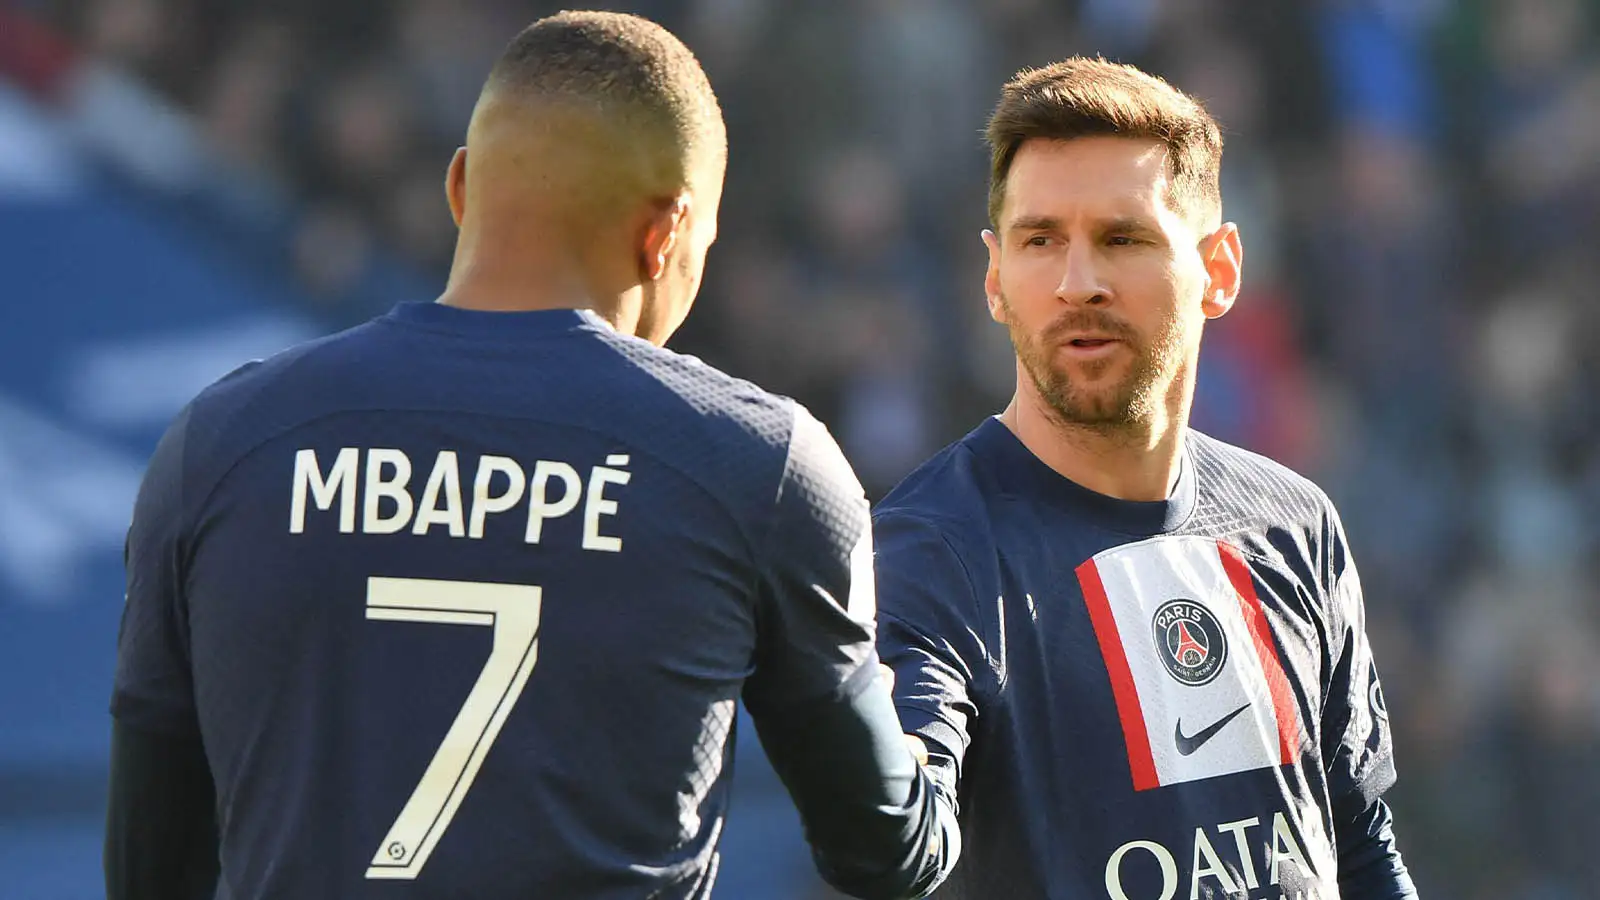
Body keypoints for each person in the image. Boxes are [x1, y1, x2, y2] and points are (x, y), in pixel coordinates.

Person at [104, 11, 952, 900]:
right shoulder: (757, 463)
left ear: (461, 187)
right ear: (669, 232)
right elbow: (886, 850)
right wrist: (941, 693)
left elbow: (147, 871)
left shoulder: (220, 444)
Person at [874, 57, 1418, 899]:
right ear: (993, 276)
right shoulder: (930, 546)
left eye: (1123, 238)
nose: (1077, 282)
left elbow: (1359, 845)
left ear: (1221, 269)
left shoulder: (1293, 522)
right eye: (1040, 239)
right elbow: (897, 843)